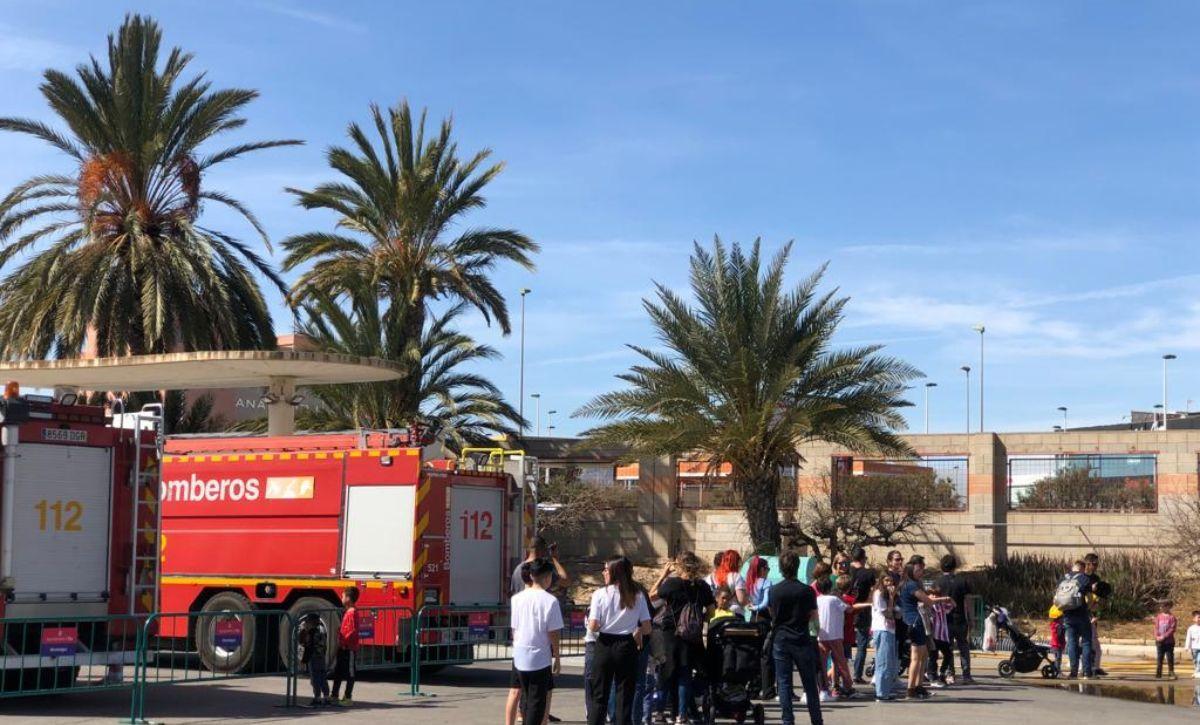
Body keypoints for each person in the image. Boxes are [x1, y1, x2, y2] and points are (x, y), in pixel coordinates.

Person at [650, 551, 715, 725]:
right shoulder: (703, 586)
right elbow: (711, 612)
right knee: (685, 674)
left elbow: (652, 595)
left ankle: (660, 713)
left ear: (679, 565)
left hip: (671, 633)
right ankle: (682, 715)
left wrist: (664, 574)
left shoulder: (672, 584)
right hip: (691, 635)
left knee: (666, 672)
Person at [588, 557, 652, 725]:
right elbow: (647, 627)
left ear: (614, 572)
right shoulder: (637, 595)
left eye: (606, 569)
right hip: (627, 644)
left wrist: (602, 623)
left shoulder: (600, 594)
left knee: (599, 695)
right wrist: (635, 629)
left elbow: (593, 626)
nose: (603, 572)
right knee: (625, 695)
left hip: (605, 644)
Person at [770, 551, 823, 725]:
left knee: (784, 683)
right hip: (801, 637)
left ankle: (787, 720)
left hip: (781, 638)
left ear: (780, 568)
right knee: (809, 682)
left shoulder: (774, 590)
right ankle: (816, 720)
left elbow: (773, 614)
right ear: (798, 567)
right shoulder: (807, 591)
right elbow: (814, 616)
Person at [511, 558, 564, 725]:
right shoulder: (550, 601)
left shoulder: (517, 599)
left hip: (520, 653)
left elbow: (514, 629)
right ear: (547, 577)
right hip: (539, 656)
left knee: (526, 698)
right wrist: (557, 655)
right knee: (537, 702)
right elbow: (553, 633)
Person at [898, 556, 949, 700]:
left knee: (923, 655)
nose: (921, 572)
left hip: (912, 620)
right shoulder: (912, 585)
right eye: (919, 569)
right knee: (916, 657)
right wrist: (943, 599)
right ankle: (911, 689)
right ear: (911, 570)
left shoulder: (906, 584)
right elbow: (928, 601)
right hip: (915, 621)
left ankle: (919, 686)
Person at [815, 577, 868, 699]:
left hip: (821, 635)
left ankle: (823, 687)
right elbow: (849, 609)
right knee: (841, 662)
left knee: (822, 663)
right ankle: (848, 687)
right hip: (835, 634)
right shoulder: (834, 599)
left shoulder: (817, 599)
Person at [936, 554, 974, 684]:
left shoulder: (938, 582)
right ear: (955, 566)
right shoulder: (962, 581)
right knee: (963, 647)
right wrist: (971, 618)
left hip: (944, 620)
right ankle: (966, 675)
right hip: (960, 619)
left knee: (948, 648)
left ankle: (950, 673)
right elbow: (968, 601)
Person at [743, 555, 775, 700]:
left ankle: (753, 687)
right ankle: (766, 688)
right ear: (762, 569)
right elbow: (766, 602)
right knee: (765, 655)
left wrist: (751, 607)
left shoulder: (750, 582)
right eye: (767, 568)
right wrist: (756, 607)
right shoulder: (766, 582)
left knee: (754, 654)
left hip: (752, 619)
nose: (768, 571)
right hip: (763, 619)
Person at [508, 562, 535, 725]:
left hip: (519, 648)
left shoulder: (516, 599)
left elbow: (514, 627)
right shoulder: (546, 599)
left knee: (515, 690)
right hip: (536, 651)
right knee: (540, 693)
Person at [1059, 559, 1094, 679]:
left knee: (1072, 643)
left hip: (1068, 616)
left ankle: (1073, 672)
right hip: (1081, 615)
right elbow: (1089, 599)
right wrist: (1089, 608)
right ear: (1082, 568)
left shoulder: (1064, 578)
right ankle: (1087, 672)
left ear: (1074, 567)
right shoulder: (1084, 578)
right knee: (1086, 642)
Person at [869, 570, 899, 702]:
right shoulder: (879, 594)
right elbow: (886, 613)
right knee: (883, 662)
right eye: (886, 581)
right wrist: (892, 598)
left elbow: (895, 613)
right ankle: (880, 693)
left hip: (890, 629)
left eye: (891, 581)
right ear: (881, 581)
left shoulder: (887, 595)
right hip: (882, 629)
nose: (889, 584)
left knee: (890, 662)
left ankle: (885, 691)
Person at [848, 547, 875, 685]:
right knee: (862, 644)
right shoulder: (868, 573)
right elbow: (874, 589)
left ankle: (840, 674)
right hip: (863, 609)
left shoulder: (846, 571)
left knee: (843, 643)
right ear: (863, 559)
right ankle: (857, 674)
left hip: (846, 607)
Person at [331, 586, 360, 706]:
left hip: (349, 648)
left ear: (348, 598)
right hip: (342, 647)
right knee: (338, 672)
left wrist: (344, 641)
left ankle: (348, 697)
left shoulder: (352, 612)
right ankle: (334, 696)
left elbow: (352, 631)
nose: (341, 598)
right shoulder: (348, 612)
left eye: (342, 596)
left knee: (350, 673)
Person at [924, 584, 955, 686]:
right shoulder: (929, 604)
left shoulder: (941, 605)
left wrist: (948, 599)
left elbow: (953, 605)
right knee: (933, 655)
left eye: (936, 594)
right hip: (933, 634)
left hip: (942, 634)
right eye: (932, 594)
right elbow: (930, 602)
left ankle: (942, 673)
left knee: (948, 654)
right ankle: (931, 676)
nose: (934, 596)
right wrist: (941, 598)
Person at [298, 612, 330, 707]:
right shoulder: (322, 630)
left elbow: (307, 645)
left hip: (313, 657)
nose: (306, 624)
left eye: (307, 622)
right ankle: (326, 697)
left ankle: (317, 697)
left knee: (315, 678)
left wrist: (304, 660)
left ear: (311, 623)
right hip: (321, 657)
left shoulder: (311, 633)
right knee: (323, 676)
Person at [1083, 553, 1107, 677]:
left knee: (1093, 643)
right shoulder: (1080, 577)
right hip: (1081, 613)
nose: (1096, 566)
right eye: (1095, 564)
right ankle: (1084, 667)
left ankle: (1094, 667)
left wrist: (1097, 612)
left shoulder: (1096, 578)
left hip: (1092, 613)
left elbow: (1100, 596)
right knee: (1085, 642)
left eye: (1097, 564)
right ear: (1088, 563)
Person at [707, 550, 748, 614]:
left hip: (716, 612)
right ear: (735, 563)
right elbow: (741, 600)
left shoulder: (711, 577)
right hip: (733, 613)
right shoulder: (736, 576)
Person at [1155, 599, 1178, 680]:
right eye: (1161, 606)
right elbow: (1156, 628)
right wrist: (1157, 637)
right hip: (1159, 642)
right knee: (1159, 658)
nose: (1161, 608)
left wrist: (1163, 636)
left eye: (1163, 606)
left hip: (1169, 642)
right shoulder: (1159, 617)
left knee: (1170, 658)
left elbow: (1172, 629)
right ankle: (1158, 673)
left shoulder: (1172, 618)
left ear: (1168, 607)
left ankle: (1171, 673)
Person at [1185, 610, 1200, 679]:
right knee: (1195, 660)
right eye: (1198, 617)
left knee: (1199, 660)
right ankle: (1196, 671)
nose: (1199, 619)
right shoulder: (1191, 628)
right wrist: (1187, 646)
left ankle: (1198, 672)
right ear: (1194, 619)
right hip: (1194, 647)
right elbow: (1188, 638)